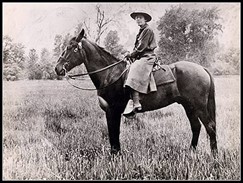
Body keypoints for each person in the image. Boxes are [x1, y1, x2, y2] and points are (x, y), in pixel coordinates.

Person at [123, 11, 157, 116]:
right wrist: (130, 54)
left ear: (145, 19)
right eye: (136, 18)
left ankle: (136, 102)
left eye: (140, 17)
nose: (138, 19)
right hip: (141, 56)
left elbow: (141, 47)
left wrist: (131, 55)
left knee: (134, 68)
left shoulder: (147, 30)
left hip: (147, 57)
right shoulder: (141, 31)